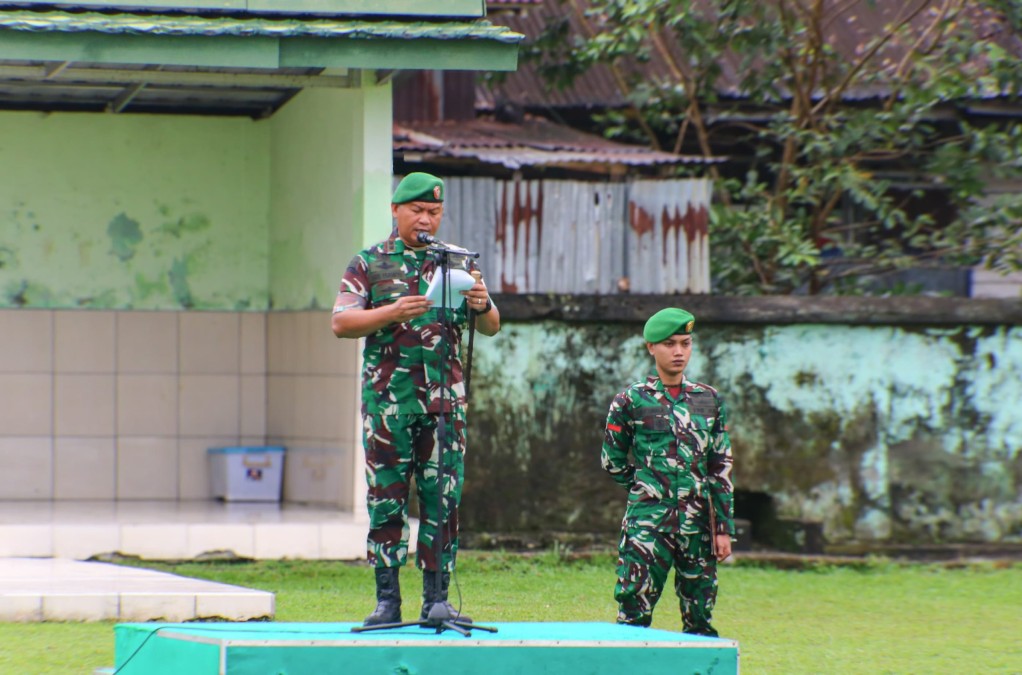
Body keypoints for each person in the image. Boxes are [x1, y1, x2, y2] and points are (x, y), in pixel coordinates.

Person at [332, 172, 500, 627]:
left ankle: (437, 602)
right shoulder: (369, 262)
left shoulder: (457, 262)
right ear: (396, 211)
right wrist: (391, 312)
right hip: (389, 406)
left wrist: (482, 302)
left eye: (434, 212)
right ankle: (387, 602)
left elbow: (491, 326)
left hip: (445, 407)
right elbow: (342, 323)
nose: (426, 220)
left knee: (441, 500)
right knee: (386, 502)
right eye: (417, 211)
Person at [601, 307, 734, 636]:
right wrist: (647, 487)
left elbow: (720, 466)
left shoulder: (709, 400)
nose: (679, 352)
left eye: (686, 343)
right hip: (648, 524)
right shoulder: (630, 401)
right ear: (651, 347)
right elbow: (612, 459)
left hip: (698, 525)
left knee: (700, 616)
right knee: (633, 613)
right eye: (670, 343)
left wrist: (723, 529)